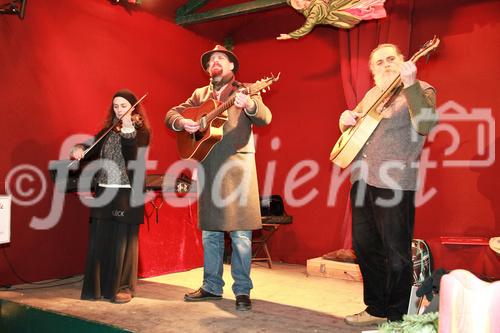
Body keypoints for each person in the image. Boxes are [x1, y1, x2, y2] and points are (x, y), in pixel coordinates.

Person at [165, 45, 272, 311]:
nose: (215, 62)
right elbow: (170, 115)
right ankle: (211, 286)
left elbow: (265, 117)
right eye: (211, 60)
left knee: (241, 234)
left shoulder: (245, 89)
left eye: (220, 58)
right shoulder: (199, 94)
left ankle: (242, 290)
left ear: (231, 67)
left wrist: (250, 104)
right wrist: (183, 123)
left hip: (238, 167)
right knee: (211, 233)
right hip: (208, 167)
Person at [339, 44, 438, 325]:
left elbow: (427, 124)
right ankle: (376, 308)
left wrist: (410, 85)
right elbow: (353, 125)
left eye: (390, 59)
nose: (385, 65)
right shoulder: (372, 94)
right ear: (372, 71)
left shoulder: (421, 89)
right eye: (379, 62)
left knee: (396, 253)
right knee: (366, 247)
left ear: (403, 61)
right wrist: (343, 120)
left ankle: (397, 318)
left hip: (395, 182)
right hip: (361, 179)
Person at [70, 89, 150, 303]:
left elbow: (132, 157)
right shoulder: (107, 131)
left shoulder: (141, 133)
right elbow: (91, 149)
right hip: (104, 190)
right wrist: (79, 149)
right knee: (99, 239)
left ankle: (123, 287)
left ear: (133, 107)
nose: (119, 109)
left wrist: (127, 131)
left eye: (123, 105)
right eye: (116, 106)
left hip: (126, 192)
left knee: (122, 241)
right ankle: (97, 287)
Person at [277, 0, 386, 41]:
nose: (304, 2)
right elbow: (308, 26)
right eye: (299, 3)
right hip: (342, 9)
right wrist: (291, 35)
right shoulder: (316, 8)